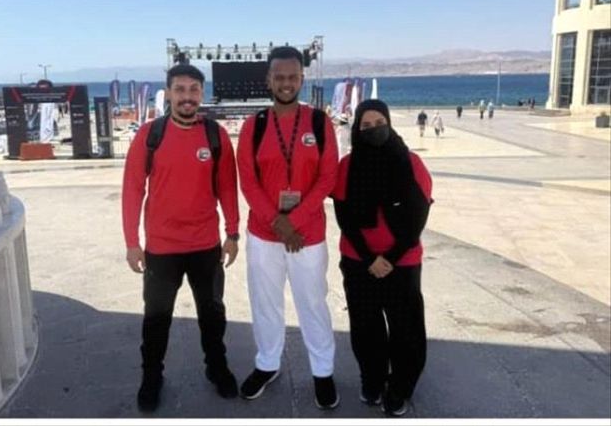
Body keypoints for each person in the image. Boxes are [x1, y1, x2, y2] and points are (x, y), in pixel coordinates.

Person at [122, 64, 241, 412]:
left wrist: (233, 232)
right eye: (180, 89)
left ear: (201, 94)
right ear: (169, 93)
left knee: (212, 315)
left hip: (206, 245)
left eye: (193, 90)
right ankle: (151, 376)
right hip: (162, 249)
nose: (187, 96)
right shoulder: (150, 135)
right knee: (156, 318)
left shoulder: (216, 136)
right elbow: (132, 189)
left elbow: (227, 187)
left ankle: (217, 368)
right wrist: (132, 242)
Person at [236, 46, 340, 409]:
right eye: (279, 76)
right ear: (268, 79)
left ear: (301, 78)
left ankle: (323, 371)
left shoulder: (319, 123)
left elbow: (327, 178)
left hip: (307, 235)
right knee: (265, 303)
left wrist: (292, 222)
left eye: (292, 76)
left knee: (312, 303)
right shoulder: (254, 126)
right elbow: (248, 182)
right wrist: (278, 223)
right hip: (264, 235)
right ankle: (267, 363)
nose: (286, 83)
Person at [331, 99, 432, 417]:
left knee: (405, 329)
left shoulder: (411, 162)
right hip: (359, 261)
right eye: (366, 125)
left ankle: (399, 387)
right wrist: (369, 258)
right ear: (357, 129)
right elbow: (344, 218)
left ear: (389, 124)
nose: (373, 130)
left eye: (379, 124)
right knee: (366, 327)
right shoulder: (347, 166)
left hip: (402, 262)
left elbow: (418, 214)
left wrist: (390, 257)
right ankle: (372, 380)